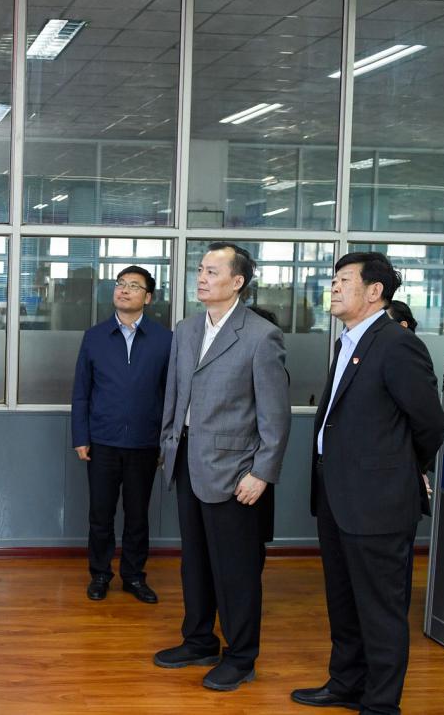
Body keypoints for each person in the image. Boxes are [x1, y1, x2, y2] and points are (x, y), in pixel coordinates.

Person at [291, 252, 444, 714]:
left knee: (380, 610)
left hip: (379, 502)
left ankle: (380, 704)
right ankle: (346, 684)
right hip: (337, 497)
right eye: (333, 279)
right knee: (343, 603)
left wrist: (400, 469)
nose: (334, 287)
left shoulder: (396, 344)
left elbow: (429, 424)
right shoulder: (348, 341)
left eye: (344, 280)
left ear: (375, 291)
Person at [154, 242, 290, 692]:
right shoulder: (187, 329)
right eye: (200, 269)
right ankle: (198, 641)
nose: (201, 277)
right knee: (194, 562)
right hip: (187, 460)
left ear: (238, 282)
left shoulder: (260, 336)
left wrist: (262, 473)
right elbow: (175, 394)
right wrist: (168, 443)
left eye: (213, 271)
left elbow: (275, 415)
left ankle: (241, 656)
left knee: (236, 570)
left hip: (235, 472)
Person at [71, 266, 172, 605]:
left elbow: (170, 395)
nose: (124, 290)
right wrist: (80, 436)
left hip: (145, 442)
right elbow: (81, 392)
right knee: (100, 514)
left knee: (137, 515)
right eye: (120, 284)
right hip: (102, 440)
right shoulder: (95, 337)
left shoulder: (164, 340)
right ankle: (100, 574)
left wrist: (166, 440)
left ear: (149, 297)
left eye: (134, 286)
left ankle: (134, 576)